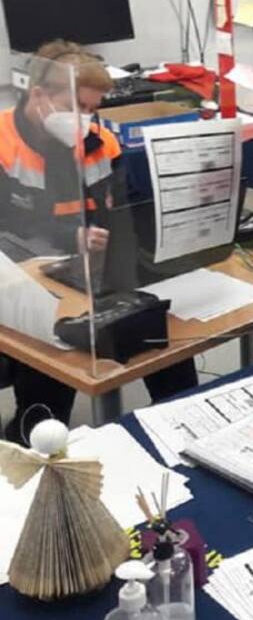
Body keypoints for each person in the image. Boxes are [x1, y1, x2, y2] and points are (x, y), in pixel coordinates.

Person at [0, 41, 197, 441]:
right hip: (23, 283)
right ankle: (29, 439)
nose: (85, 119)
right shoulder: (4, 142)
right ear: (38, 95)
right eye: (76, 106)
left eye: (92, 109)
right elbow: (9, 226)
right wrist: (70, 236)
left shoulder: (101, 142)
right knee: (47, 407)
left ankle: (186, 433)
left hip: (95, 274)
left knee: (164, 338)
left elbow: (125, 216)